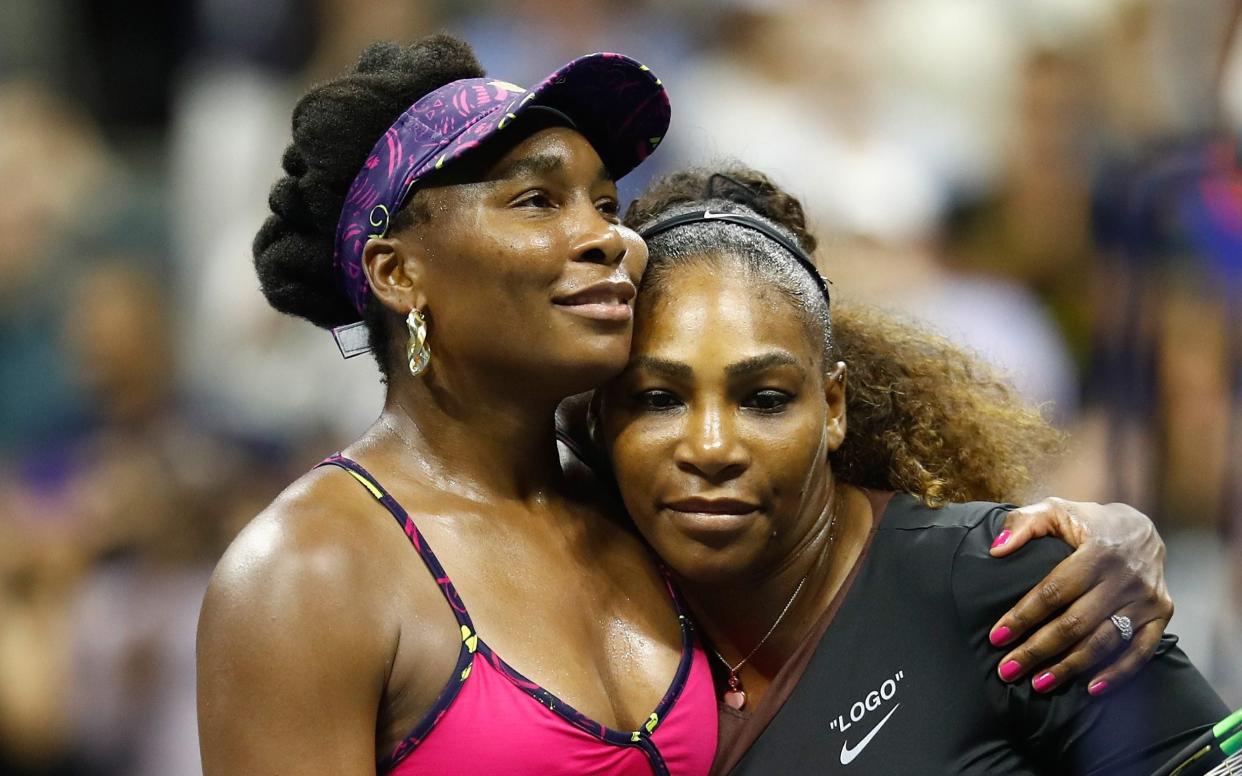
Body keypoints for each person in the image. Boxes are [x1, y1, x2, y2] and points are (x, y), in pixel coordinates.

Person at [199, 35, 1175, 775]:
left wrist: (1096, 538)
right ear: (398, 270)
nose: (610, 242)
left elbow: (874, 559)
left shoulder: (647, 504)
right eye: (539, 202)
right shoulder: (307, 572)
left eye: (608, 206)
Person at [599, 165, 1229, 774]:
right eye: (658, 399)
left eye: (765, 399)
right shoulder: (571, 620)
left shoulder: (1023, 588)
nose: (711, 448)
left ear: (834, 406)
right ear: (597, 415)